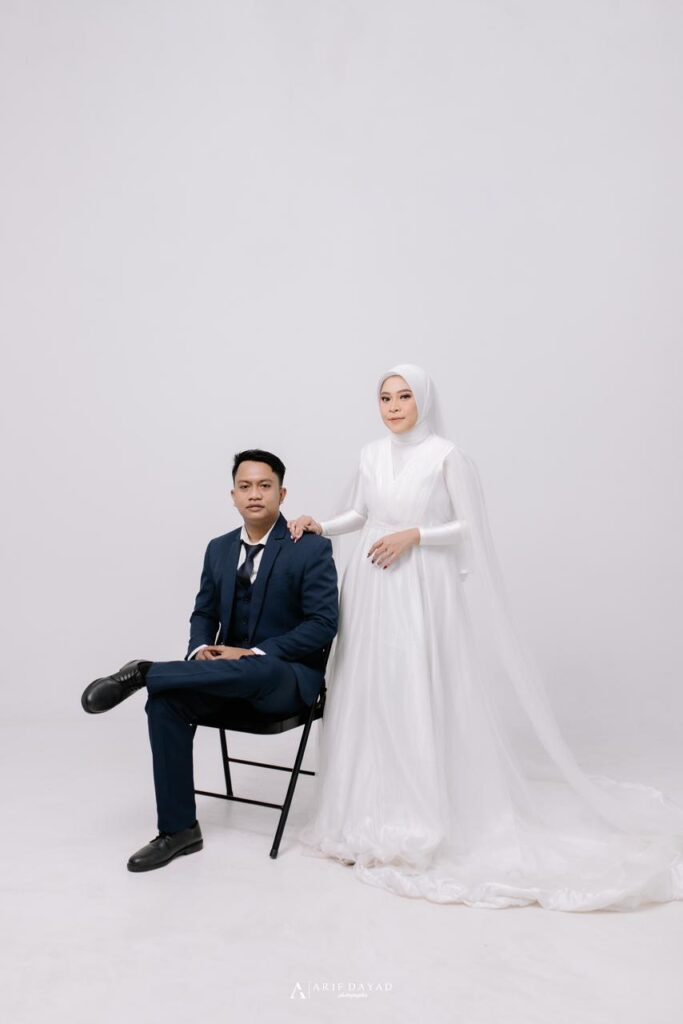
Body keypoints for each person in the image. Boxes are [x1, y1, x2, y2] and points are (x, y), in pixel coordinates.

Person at [288, 364, 683, 911]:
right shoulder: (370, 454)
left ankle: (419, 816)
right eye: (385, 398)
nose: (394, 407)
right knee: (369, 689)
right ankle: (363, 812)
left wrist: (415, 535)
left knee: (416, 686)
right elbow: (358, 513)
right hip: (372, 588)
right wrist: (321, 525)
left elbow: (471, 526)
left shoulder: (447, 456)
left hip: (421, 585)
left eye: (404, 396)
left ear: (423, 400)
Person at [81, 449, 338, 872]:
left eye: (265, 485)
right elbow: (203, 613)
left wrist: (252, 653)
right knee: (165, 702)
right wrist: (200, 650)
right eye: (245, 486)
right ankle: (179, 830)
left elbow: (323, 624)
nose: (254, 494)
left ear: (282, 493)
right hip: (222, 676)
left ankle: (145, 672)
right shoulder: (218, 549)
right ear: (232, 495)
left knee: (259, 666)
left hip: (284, 681)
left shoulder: (310, 549)